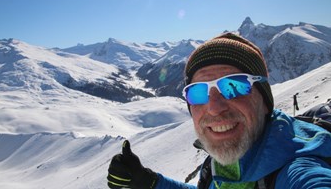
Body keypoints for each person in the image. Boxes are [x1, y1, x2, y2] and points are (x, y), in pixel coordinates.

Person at [107, 33, 331, 188]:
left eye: (234, 86)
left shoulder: (298, 169)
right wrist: (150, 182)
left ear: (264, 101)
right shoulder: (229, 162)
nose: (214, 108)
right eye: (197, 93)